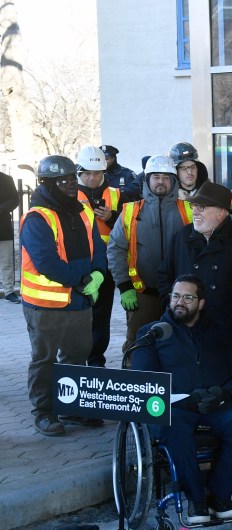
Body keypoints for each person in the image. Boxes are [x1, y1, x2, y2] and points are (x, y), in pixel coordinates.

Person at [131, 275, 232, 525]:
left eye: (188, 298)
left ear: (200, 303)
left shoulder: (219, 331)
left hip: (215, 406)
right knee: (173, 427)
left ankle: (219, 496)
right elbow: (145, 383)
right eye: (176, 296)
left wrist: (224, 394)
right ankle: (196, 500)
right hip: (173, 409)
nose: (180, 302)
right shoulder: (152, 333)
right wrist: (185, 400)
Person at [158, 181, 232, 416]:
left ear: (221, 212)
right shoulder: (181, 237)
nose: (195, 211)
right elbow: (165, 275)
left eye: (202, 207)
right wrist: (173, 306)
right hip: (192, 321)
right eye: (193, 206)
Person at [20, 155, 107, 436]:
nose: (71, 184)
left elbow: (99, 248)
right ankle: (44, 413)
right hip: (46, 304)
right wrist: (83, 280)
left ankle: (72, 408)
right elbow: (47, 262)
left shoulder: (83, 210)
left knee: (76, 356)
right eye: (63, 180)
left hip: (79, 302)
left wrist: (99, 274)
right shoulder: (37, 217)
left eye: (72, 178)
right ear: (47, 183)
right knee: (45, 359)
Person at [107, 155, 192, 352]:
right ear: (147, 180)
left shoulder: (189, 210)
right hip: (141, 294)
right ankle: (134, 381)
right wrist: (124, 286)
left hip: (179, 295)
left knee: (179, 346)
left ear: (173, 181)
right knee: (138, 346)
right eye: (156, 177)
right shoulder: (130, 211)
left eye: (166, 177)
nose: (161, 181)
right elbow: (115, 249)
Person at [75, 145, 125, 367]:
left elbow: (127, 227)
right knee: (77, 316)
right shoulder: (70, 195)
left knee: (101, 316)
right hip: (78, 264)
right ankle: (75, 360)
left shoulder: (115, 194)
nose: (92, 177)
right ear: (79, 172)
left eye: (97, 172)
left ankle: (96, 362)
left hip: (105, 265)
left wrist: (112, 217)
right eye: (87, 173)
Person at [0, 171, 20, 303]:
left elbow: (15, 200)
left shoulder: (6, 179)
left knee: (6, 262)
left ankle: (8, 291)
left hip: (3, 227)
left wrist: (2, 208)